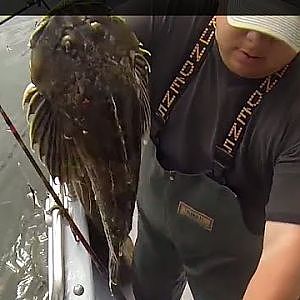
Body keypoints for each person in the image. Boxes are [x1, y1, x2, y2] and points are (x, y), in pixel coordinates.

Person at [111, 0, 300, 299]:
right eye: (247, 18)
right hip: (153, 226)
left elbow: (288, 247)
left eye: (279, 27)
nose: (257, 39)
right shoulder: (170, 16)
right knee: (147, 288)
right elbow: (97, 38)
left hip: (228, 261)